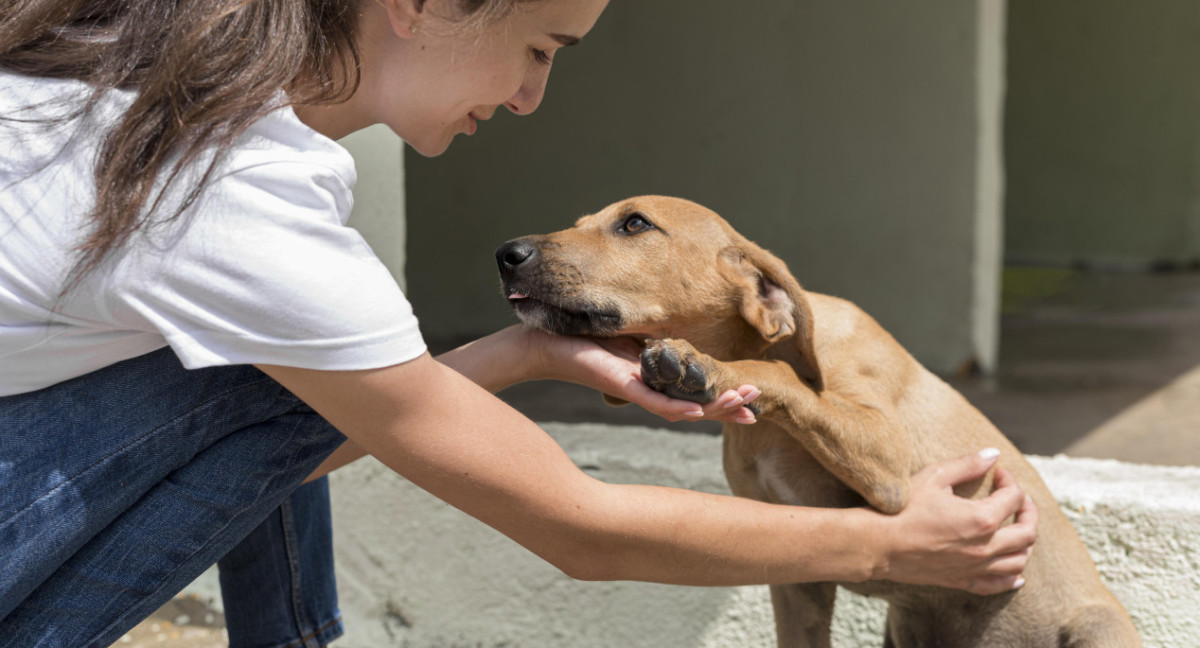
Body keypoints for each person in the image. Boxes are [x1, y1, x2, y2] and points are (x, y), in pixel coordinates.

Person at [0, 0, 1038, 646]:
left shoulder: (150, 67)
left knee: (297, 375)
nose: (535, 96)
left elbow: (294, 444)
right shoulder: (231, 192)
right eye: (539, 48)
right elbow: (577, 529)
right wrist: (889, 547)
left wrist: (532, 350)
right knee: (277, 373)